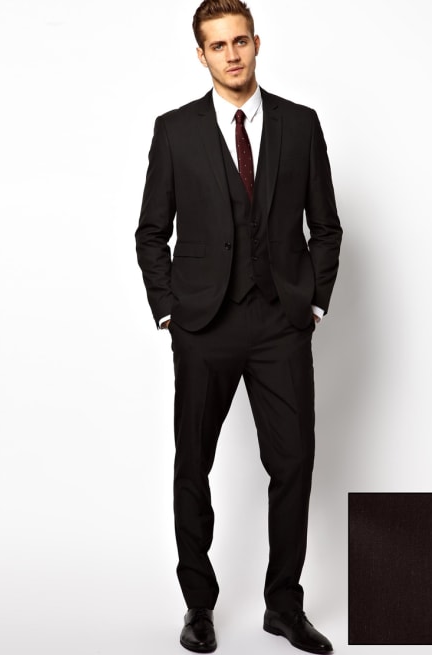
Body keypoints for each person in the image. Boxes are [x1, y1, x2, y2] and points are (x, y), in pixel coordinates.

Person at [135, 1, 342, 652]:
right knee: (192, 464)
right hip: (204, 324)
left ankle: (284, 606)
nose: (231, 54)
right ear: (201, 55)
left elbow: (325, 226)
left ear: (256, 43)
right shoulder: (176, 130)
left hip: (281, 323)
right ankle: (198, 605)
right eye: (218, 45)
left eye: (240, 41)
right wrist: (170, 310)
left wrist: (313, 304)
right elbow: (151, 233)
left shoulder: (300, 124)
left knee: (294, 461)